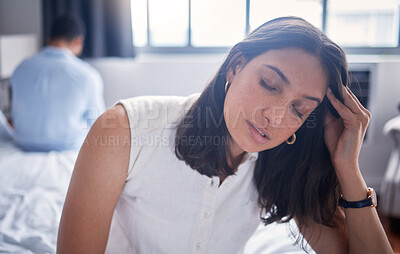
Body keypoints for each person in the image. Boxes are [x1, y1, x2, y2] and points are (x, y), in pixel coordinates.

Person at [57, 17, 393, 253]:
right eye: (269, 85)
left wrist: (347, 166)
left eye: (299, 110)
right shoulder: (125, 131)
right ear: (235, 65)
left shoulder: (282, 165)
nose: (275, 118)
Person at [10, 14, 105, 152]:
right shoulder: (87, 75)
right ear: (79, 41)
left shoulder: (20, 68)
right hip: (69, 148)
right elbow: (97, 125)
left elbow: (15, 113)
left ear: (48, 39)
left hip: (24, 144)